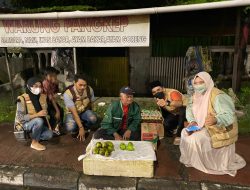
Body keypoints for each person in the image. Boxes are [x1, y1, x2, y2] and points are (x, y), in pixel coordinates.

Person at [180, 71, 246, 176]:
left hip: (219, 129)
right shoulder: (196, 96)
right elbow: (189, 109)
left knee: (195, 138)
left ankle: (209, 162)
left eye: (201, 82)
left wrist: (216, 119)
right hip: (202, 126)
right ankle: (196, 160)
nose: (198, 85)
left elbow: (229, 115)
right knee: (185, 132)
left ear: (208, 82)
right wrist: (192, 121)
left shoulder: (218, 96)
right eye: (196, 83)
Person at [14, 77, 53, 151]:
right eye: (35, 86)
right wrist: (37, 115)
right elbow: (20, 118)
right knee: (38, 120)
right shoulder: (22, 98)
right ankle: (34, 142)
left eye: (40, 86)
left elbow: (44, 112)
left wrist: (45, 114)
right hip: (25, 124)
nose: (38, 88)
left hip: (38, 124)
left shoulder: (43, 97)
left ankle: (34, 134)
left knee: (49, 134)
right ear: (29, 86)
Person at [150, 81, 186, 145]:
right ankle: (172, 131)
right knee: (166, 124)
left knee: (183, 110)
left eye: (158, 90)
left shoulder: (172, 93)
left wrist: (167, 103)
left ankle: (179, 135)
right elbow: (161, 109)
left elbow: (180, 103)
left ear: (163, 89)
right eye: (154, 92)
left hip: (185, 113)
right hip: (174, 113)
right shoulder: (157, 97)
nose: (156, 93)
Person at [63, 74, 97, 141]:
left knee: (93, 118)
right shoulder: (67, 94)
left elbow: (92, 103)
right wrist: (80, 128)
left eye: (85, 85)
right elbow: (74, 113)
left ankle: (86, 127)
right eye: (80, 85)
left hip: (84, 111)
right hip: (72, 113)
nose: (82, 87)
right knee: (70, 127)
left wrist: (91, 115)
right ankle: (77, 128)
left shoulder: (89, 90)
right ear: (75, 83)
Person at [42, 66, 64, 135]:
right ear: (46, 76)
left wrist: (58, 94)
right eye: (50, 76)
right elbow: (51, 98)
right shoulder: (46, 83)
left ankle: (58, 127)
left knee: (61, 111)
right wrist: (57, 111)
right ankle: (52, 129)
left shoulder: (55, 82)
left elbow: (57, 93)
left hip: (52, 101)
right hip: (45, 103)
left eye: (54, 75)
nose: (53, 77)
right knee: (54, 113)